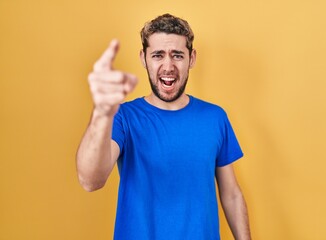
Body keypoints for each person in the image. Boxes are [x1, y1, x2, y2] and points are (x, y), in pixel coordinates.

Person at [76, 13, 251, 240]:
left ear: (192, 58)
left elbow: (232, 195)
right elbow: (90, 180)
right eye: (158, 55)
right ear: (143, 58)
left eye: (177, 55)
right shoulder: (122, 117)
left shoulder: (215, 117)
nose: (168, 66)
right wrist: (100, 112)